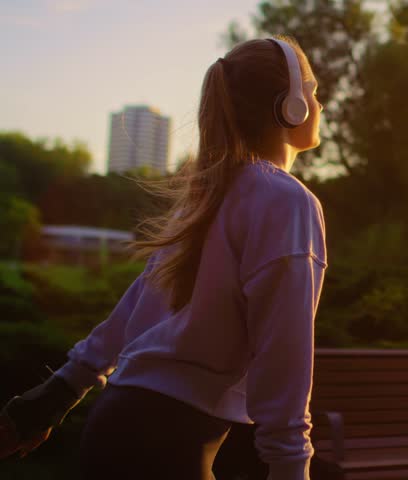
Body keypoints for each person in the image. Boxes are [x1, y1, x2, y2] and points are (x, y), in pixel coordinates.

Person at [0, 36, 327, 480]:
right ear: (291, 107)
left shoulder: (209, 198)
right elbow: (283, 353)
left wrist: (57, 394)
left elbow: (133, 309)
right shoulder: (287, 202)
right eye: (312, 90)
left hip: (115, 426)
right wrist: (290, 467)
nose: (319, 103)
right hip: (169, 444)